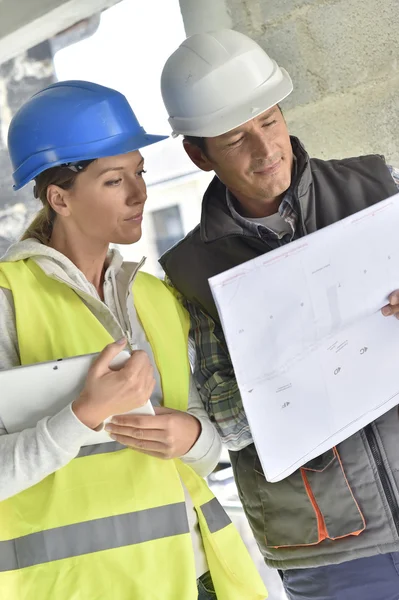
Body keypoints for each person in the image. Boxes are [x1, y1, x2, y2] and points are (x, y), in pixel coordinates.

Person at [0, 80, 267, 600]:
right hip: (80, 588)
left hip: (195, 577)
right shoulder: (7, 300)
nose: (140, 192)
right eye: (114, 180)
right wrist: (78, 418)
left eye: (140, 173)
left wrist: (192, 437)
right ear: (60, 198)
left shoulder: (156, 296)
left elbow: (206, 446)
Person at [159, 29, 399, 600]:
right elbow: (229, 425)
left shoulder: (380, 190)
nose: (266, 150)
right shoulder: (190, 274)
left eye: (269, 122)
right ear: (198, 154)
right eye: (236, 138)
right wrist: (301, 358)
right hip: (331, 547)